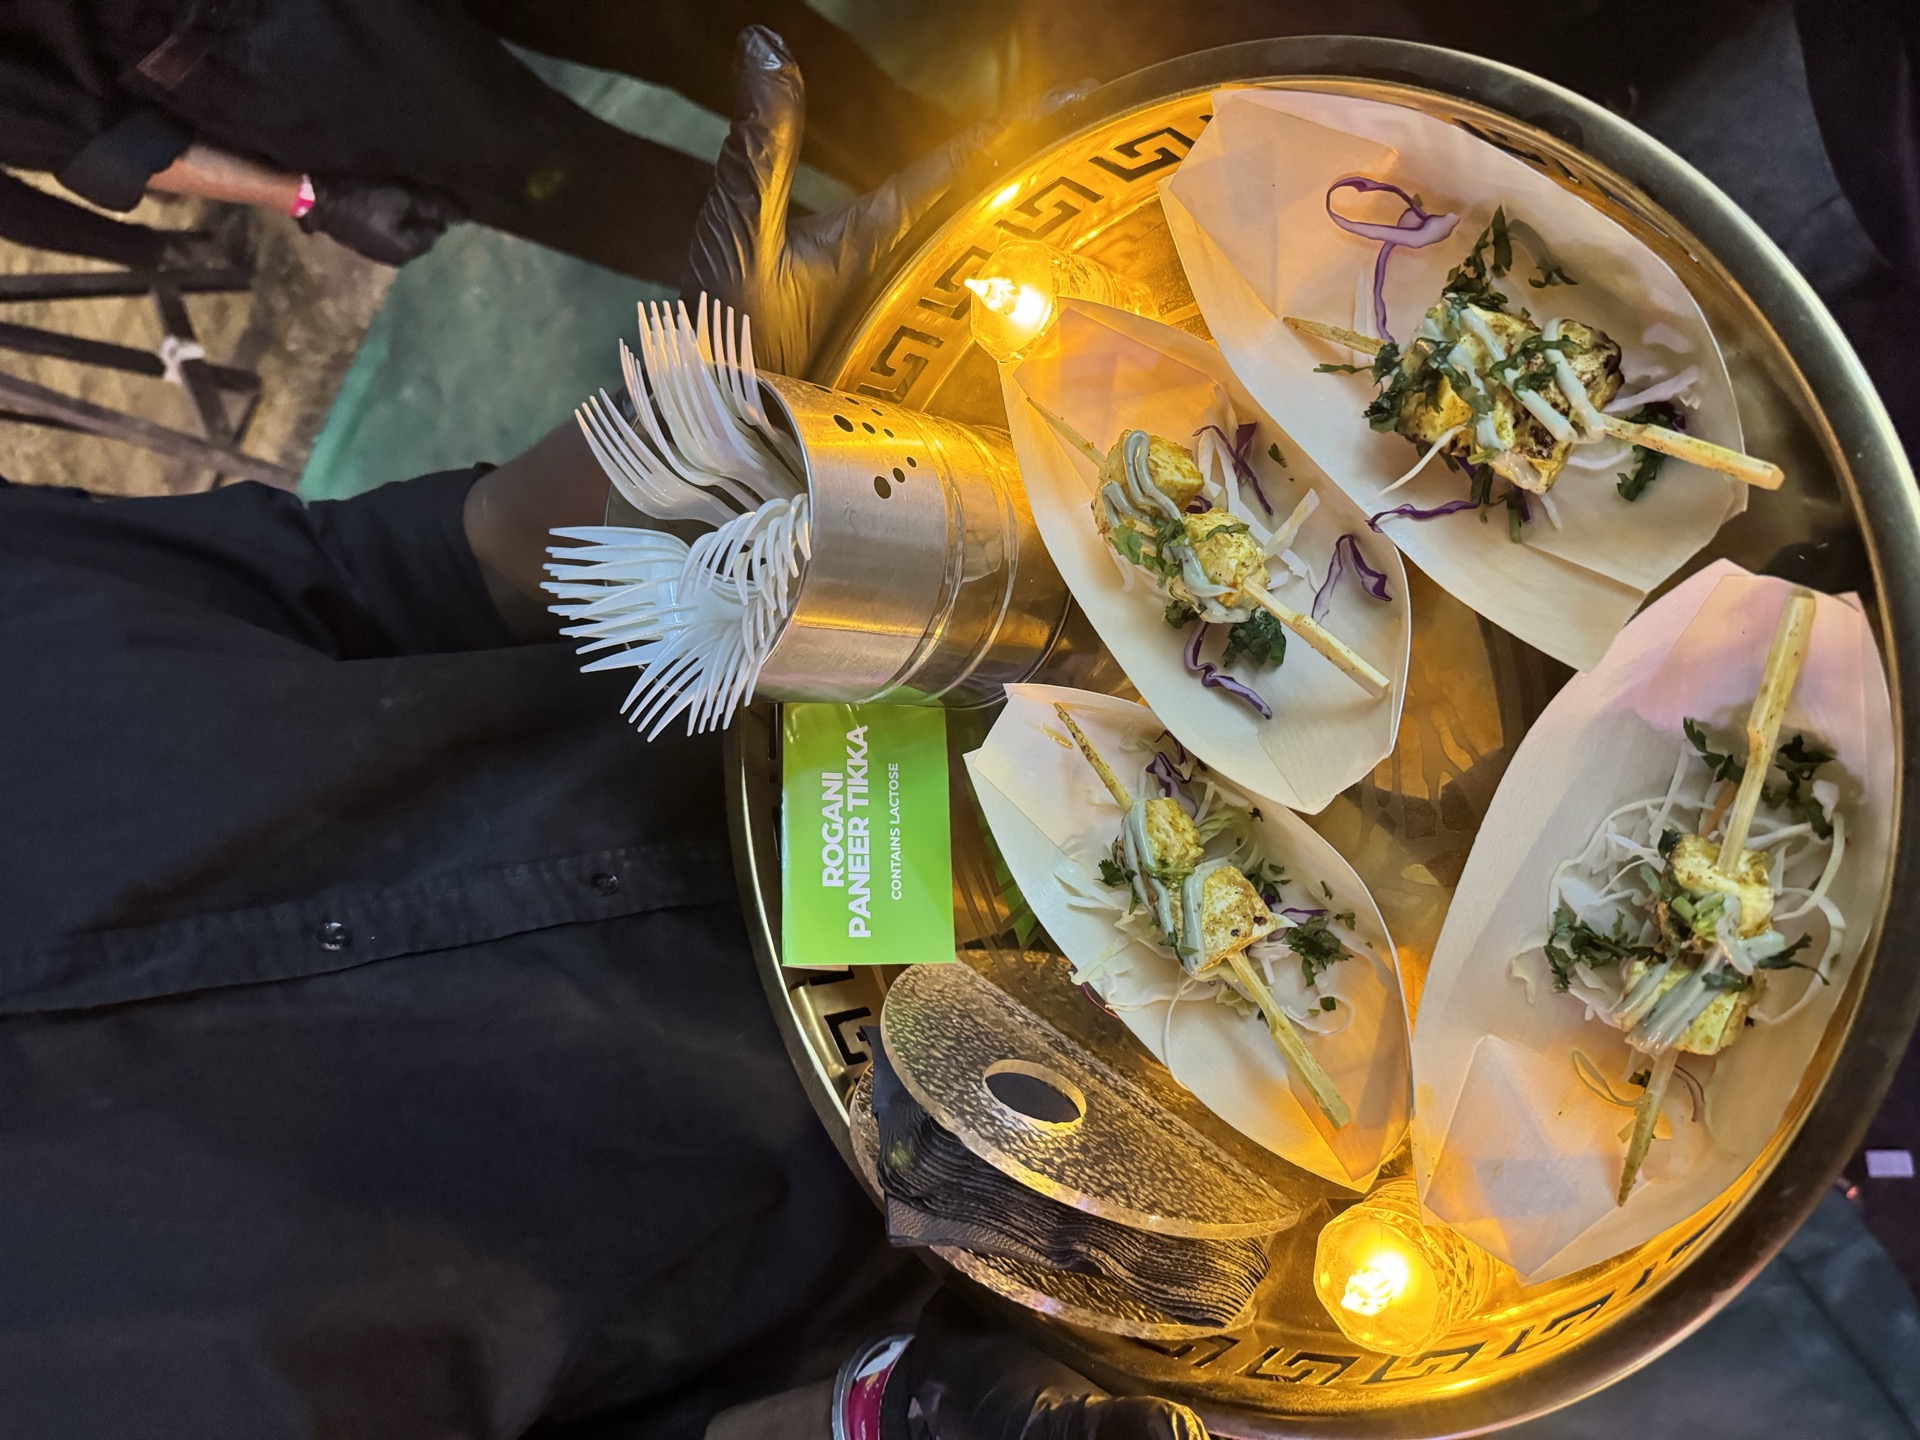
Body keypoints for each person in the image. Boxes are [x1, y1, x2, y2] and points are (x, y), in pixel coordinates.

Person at [0, 24, 1182, 1440]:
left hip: (919, 707)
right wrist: (891, 1421)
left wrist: (673, 451)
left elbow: (379, 580)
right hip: (1031, 1209)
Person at [0, 0, 960, 276]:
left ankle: (978, 175)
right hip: (244, 41)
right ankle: (923, 321)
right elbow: (85, 135)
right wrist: (309, 195)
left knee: (700, 22)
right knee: (609, 195)